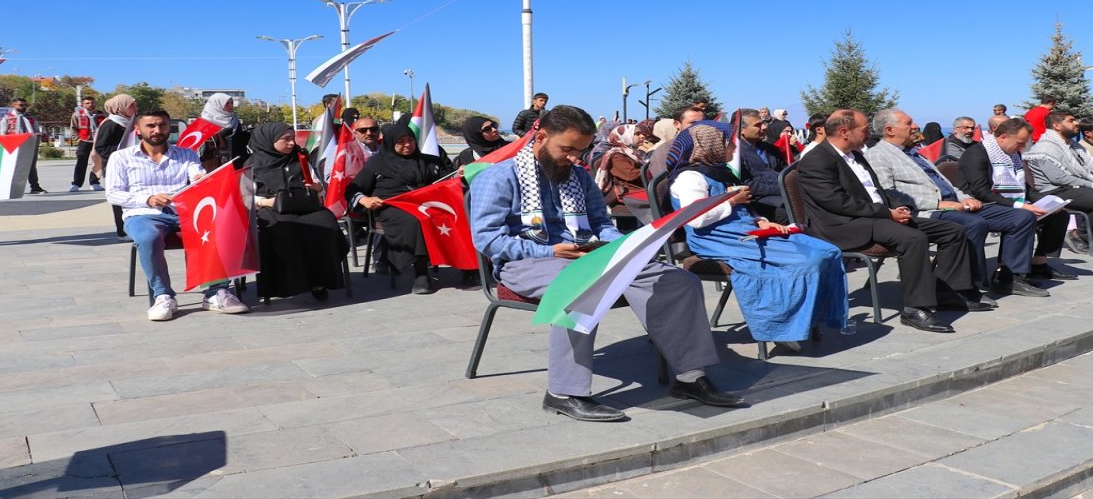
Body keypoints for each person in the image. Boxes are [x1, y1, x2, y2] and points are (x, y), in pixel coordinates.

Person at [469, 105, 742, 422]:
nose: (574, 158)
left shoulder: (579, 177)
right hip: (529, 260)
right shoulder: (498, 178)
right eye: (567, 149)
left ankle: (690, 378)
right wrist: (553, 252)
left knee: (678, 281)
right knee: (583, 286)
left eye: (580, 151)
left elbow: (602, 223)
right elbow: (488, 240)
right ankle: (564, 392)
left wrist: (622, 245)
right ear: (540, 137)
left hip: (589, 254)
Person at [668, 121, 849, 352]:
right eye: (728, 144)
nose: (734, 150)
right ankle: (780, 326)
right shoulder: (690, 179)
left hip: (742, 230)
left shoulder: (718, 172)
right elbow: (695, 219)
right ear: (711, 146)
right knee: (804, 261)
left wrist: (760, 221)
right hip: (716, 239)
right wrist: (732, 200)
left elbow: (739, 211)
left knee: (827, 251)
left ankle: (810, 318)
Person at [797, 110, 977, 333]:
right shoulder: (816, 160)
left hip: (877, 217)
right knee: (913, 238)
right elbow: (835, 202)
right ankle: (916, 308)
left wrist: (897, 208)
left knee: (953, 231)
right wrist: (886, 213)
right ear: (844, 132)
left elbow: (878, 190)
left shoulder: (857, 155)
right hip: (845, 225)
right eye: (864, 129)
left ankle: (946, 292)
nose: (869, 133)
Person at [864, 108, 1033, 301]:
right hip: (925, 211)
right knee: (973, 224)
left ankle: (1009, 277)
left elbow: (946, 184)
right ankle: (967, 285)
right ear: (889, 130)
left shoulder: (915, 154)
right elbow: (889, 194)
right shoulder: (879, 155)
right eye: (908, 123)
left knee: (1021, 217)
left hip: (954, 204)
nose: (915, 126)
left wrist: (964, 198)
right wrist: (938, 203)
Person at [106, 110, 249, 321]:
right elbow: (113, 194)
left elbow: (195, 173)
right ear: (138, 130)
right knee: (148, 238)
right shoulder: (121, 157)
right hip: (143, 213)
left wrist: (201, 178)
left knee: (216, 225)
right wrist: (148, 199)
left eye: (163, 125)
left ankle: (215, 292)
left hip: (184, 212)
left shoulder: (186, 154)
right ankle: (163, 295)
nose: (157, 130)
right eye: (151, 126)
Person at [958, 118, 1076, 288]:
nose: (1021, 148)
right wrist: (1021, 205)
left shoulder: (1012, 154)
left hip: (1004, 203)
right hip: (979, 206)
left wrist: (1048, 203)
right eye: (1019, 143)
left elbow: (1024, 188)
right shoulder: (977, 153)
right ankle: (1008, 276)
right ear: (1004, 137)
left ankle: (1038, 263)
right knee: (1022, 216)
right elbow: (981, 192)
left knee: (1059, 215)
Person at [246, 122, 350, 303]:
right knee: (285, 232)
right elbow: (244, 197)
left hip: (303, 205)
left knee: (327, 226)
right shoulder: (252, 165)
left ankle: (319, 280)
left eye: (292, 138)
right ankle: (289, 284)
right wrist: (265, 202)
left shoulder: (299, 158)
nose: (292, 143)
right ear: (269, 141)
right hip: (269, 208)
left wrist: (316, 187)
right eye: (286, 140)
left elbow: (318, 186)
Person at [346, 124, 452, 294]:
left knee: (456, 215)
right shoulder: (377, 164)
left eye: (410, 140)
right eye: (401, 142)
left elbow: (448, 180)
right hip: (391, 207)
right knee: (416, 221)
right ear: (390, 143)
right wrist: (364, 199)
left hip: (424, 205)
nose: (407, 145)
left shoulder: (428, 161)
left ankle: (468, 266)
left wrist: (460, 175)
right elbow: (353, 189)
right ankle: (421, 271)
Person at [1022, 111, 1093, 254]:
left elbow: (1087, 170)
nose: (1076, 123)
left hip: (1077, 185)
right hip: (1055, 190)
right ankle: (1080, 234)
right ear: (1057, 126)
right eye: (1071, 120)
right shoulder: (1045, 148)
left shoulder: (1073, 146)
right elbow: (1058, 178)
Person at [93, 94, 139, 237]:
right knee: (119, 199)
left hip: (133, 166)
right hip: (115, 167)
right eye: (131, 105)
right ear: (121, 107)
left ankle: (134, 228)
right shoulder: (110, 124)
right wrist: (121, 154)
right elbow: (101, 147)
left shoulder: (131, 123)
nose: (135, 108)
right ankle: (122, 231)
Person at [737, 108, 789, 223]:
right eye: (758, 125)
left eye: (763, 123)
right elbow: (748, 185)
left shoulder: (771, 149)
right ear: (742, 130)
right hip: (758, 200)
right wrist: (783, 189)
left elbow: (785, 171)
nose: (764, 127)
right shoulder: (735, 155)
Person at [593, 123, 646, 207]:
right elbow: (631, 175)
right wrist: (651, 171)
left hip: (638, 188)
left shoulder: (632, 152)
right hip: (627, 192)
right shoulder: (615, 155)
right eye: (637, 134)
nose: (642, 136)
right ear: (625, 136)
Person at [1, 97, 46, 194]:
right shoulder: (7, 118)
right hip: (14, 146)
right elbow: (3, 134)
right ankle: (10, 188)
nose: (24, 107)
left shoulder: (30, 118)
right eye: (21, 105)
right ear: (13, 105)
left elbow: (36, 131)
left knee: (31, 166)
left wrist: (39, 136)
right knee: (13, 166)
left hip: (30, 145)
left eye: (25, 105)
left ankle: (35, 187)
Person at [647, 105, 705, 179]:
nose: (699, 126)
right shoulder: (667, 150)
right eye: (693, 123)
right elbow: (663, 184)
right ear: (677, 124)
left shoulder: (705, 146)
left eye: (703, 123)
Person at [197, 93, 242, 171]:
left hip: (234, 163)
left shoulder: (235, 121)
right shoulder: (204, 122)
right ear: (217, 105)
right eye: (227, 103)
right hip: (211, 165)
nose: (231, 106)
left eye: (232, 103)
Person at [69, 96, 104, 192]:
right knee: (81, 163)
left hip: (98, 141)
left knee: (97, 163)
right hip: (84, 141)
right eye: (87, 103)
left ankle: (94, 182)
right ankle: (76, 184)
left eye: (92, 103)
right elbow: (73, 128)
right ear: (83, 105)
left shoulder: (101, 114)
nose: (90, 105)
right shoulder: (77, 115)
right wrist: (77, 139)